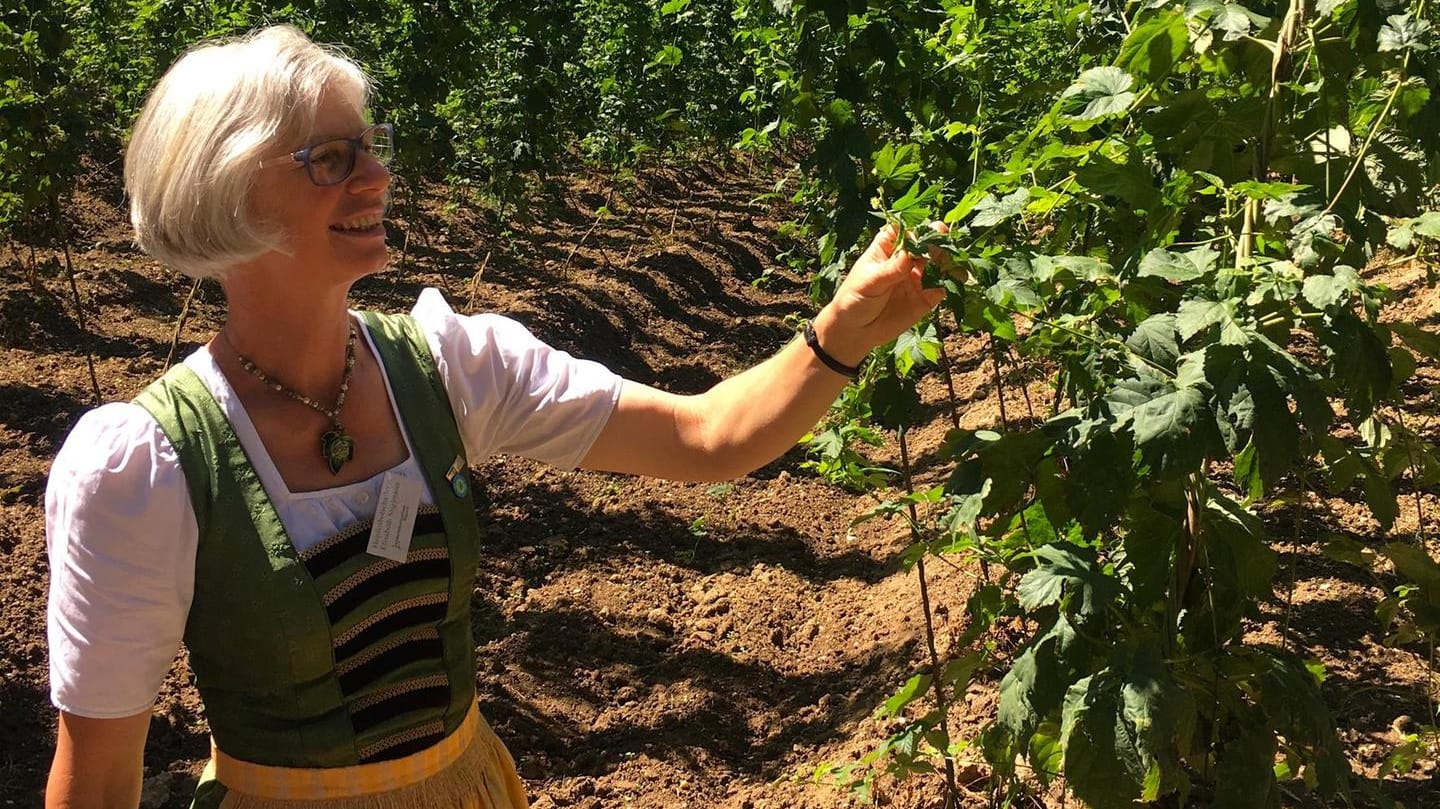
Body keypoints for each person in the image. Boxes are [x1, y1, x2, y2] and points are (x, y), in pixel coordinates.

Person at [43, 24, 950, 809]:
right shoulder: (146, 471)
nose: (377, 175)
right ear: (232, 193)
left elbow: (709, 437)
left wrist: (839, 333)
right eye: (331, 158)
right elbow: (100, 770)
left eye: (371, 144)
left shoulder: (449, 369)